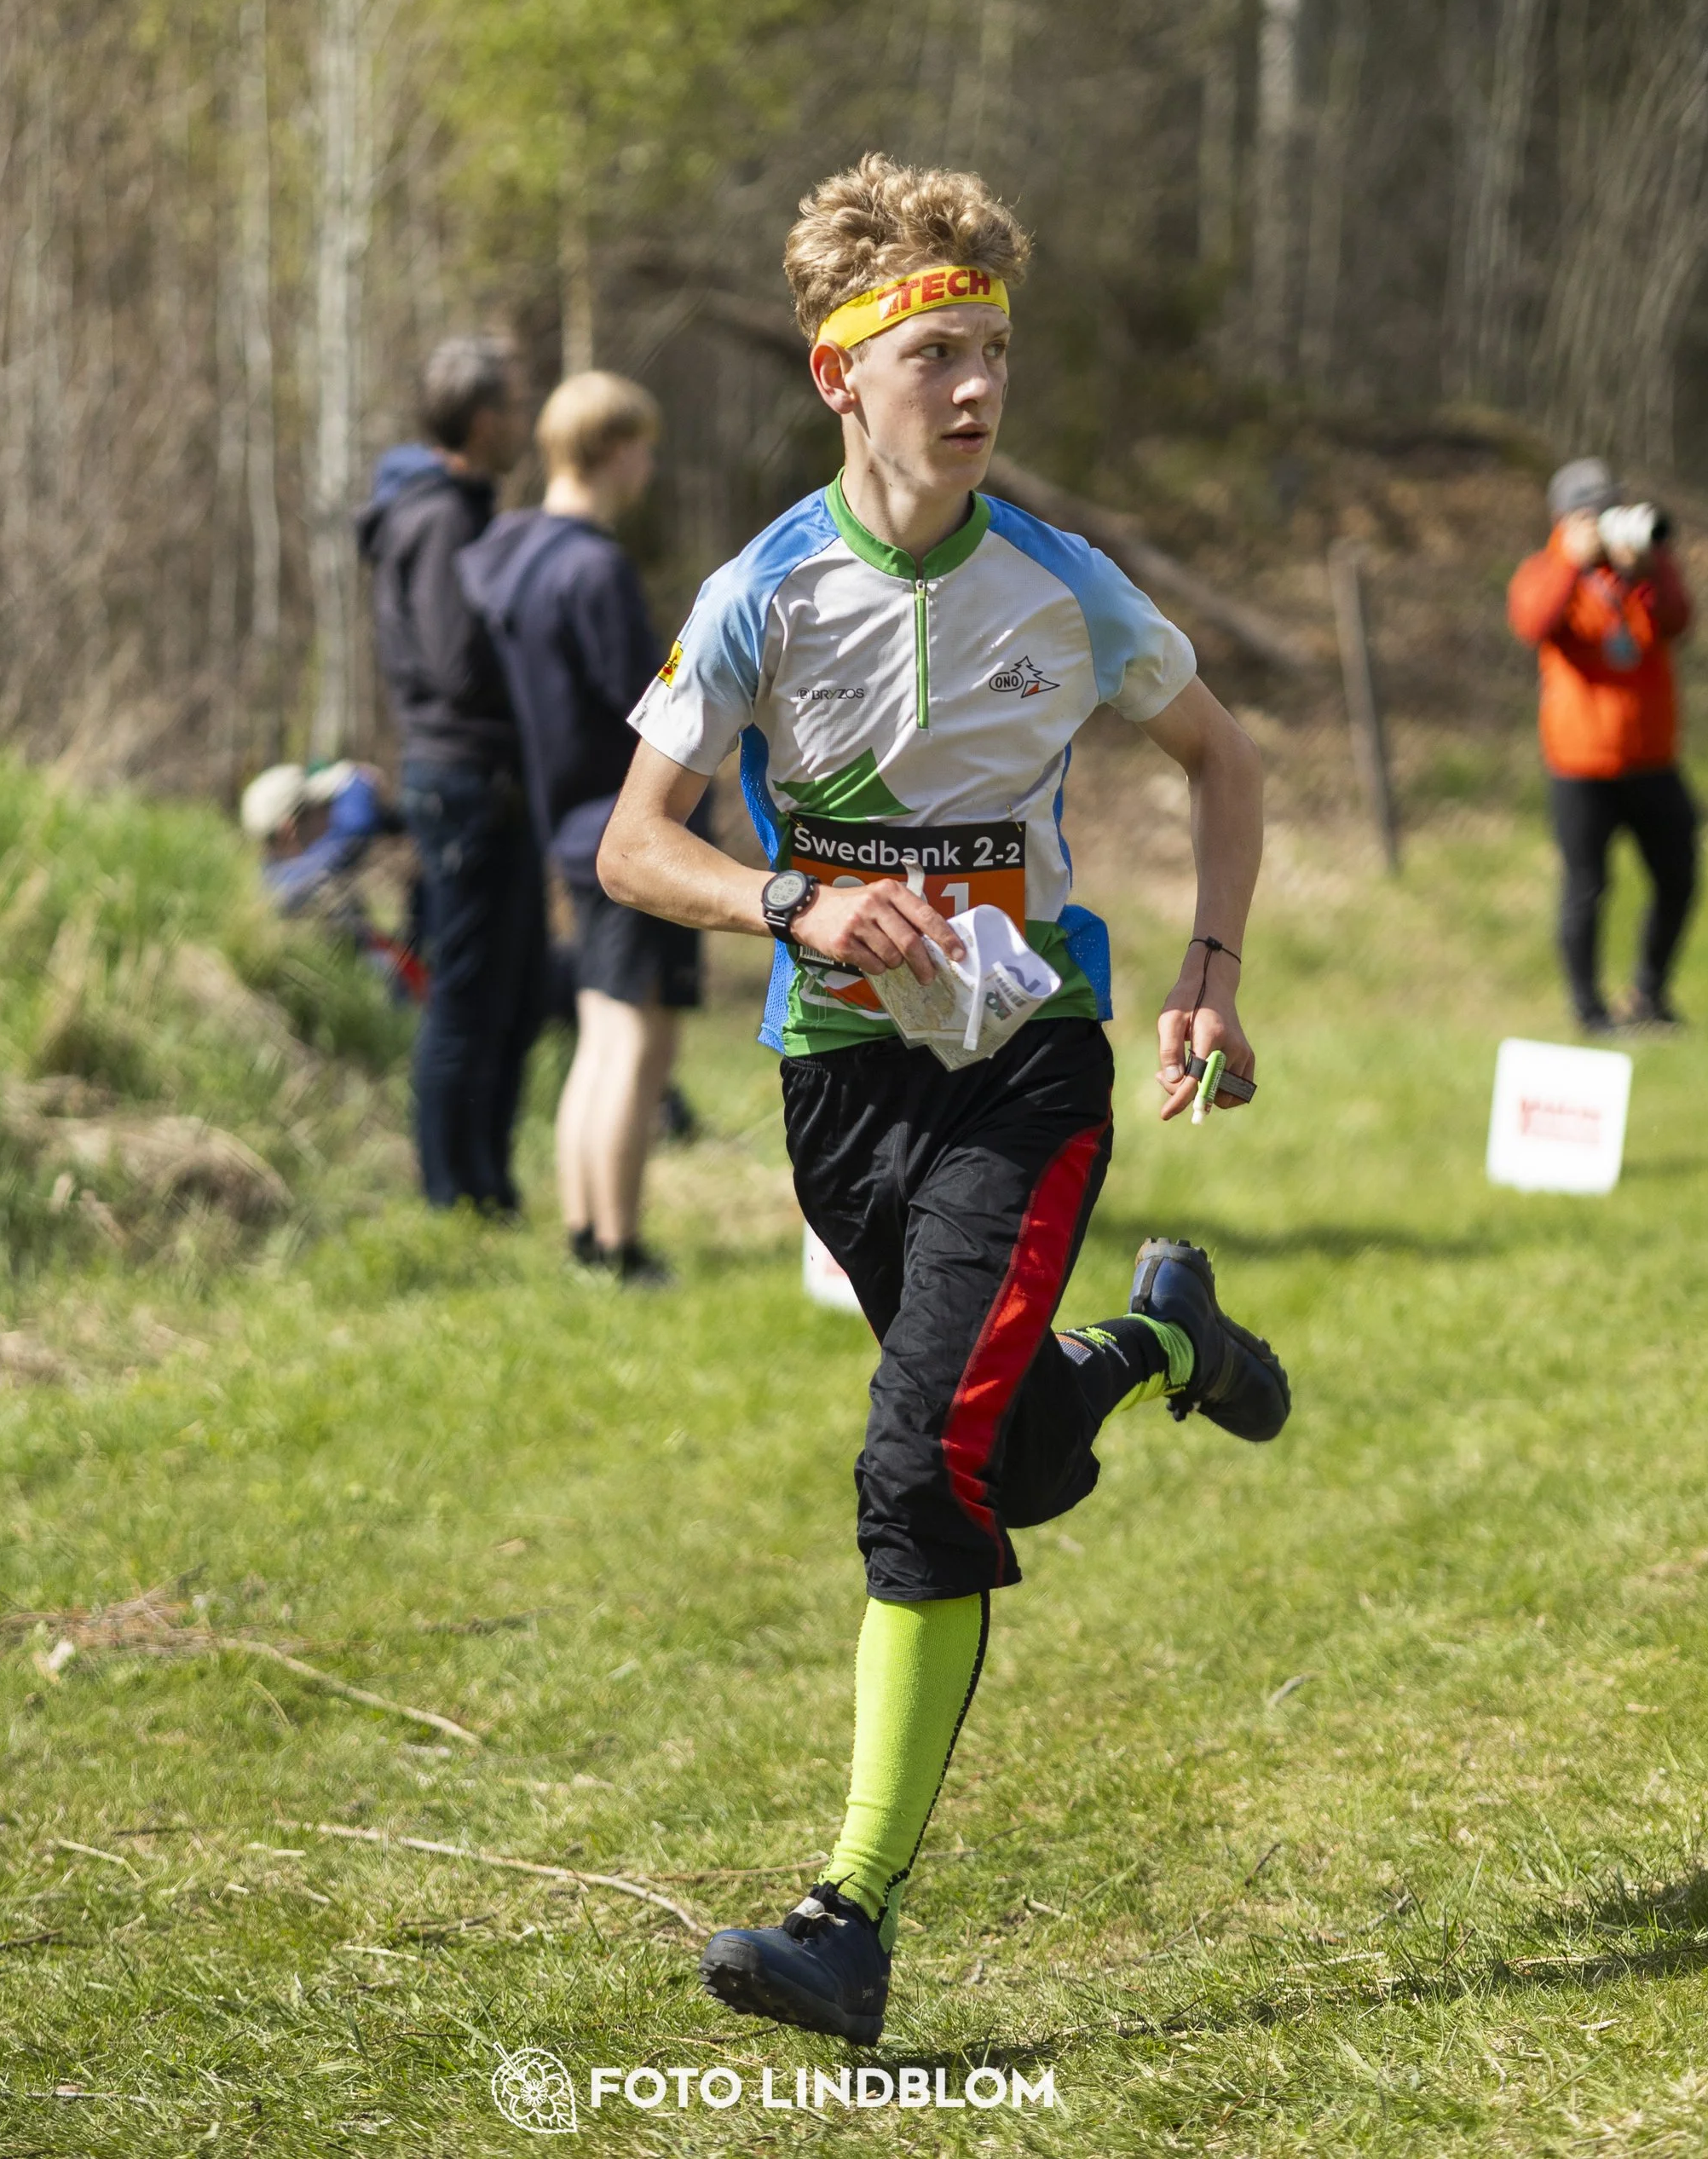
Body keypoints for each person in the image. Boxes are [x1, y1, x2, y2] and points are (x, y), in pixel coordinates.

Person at [597, 153, 1289, 2046]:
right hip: (834, 1087)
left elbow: (1220, 759)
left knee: (916, 1471)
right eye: (936, 357)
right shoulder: (763, 590)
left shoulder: (1060, 587)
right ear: (841, 376)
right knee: (1006, 1456)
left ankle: (849, 1913)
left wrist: (1203, 977)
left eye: (993, 350)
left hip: (1028, 1073)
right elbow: (626, 846)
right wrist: (794, 896)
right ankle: (1159, 1341)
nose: (975, 387)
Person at [459, 371, 701, 1288]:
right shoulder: (593, 567)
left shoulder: (512, 556)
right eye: (640, 443)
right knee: (638, 1039)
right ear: (608, 450)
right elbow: (657, 705)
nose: (649, 462)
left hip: (568, 823)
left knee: (602, 1032)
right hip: (632, 827)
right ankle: (620, 1244)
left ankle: (583, 1235)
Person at [356, 335, 547, 1212]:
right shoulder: (440, 519)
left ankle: (488, 1186)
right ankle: (449, 1193)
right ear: (481, 420)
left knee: (507, 993)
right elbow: (454, 661)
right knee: (466, 996)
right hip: (464, 781)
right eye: (514, 405)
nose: (526, 421)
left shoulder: (458, 509)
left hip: (483, 779)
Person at [1507, 456, 1698, 1033]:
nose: (1609, 521)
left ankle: (1650, 994)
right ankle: (1589, 1011)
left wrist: (1651, 567)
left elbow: (1680, 619)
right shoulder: (1546, 571)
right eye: (1594, 512)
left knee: (1679, 876)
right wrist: (1572, 561)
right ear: (1565, 519)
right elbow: (1532, 622)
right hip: (1581, 765)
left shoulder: (1640, 573)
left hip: (1653, 760)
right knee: (1586, 887)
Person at [239, 760, 424, 1001]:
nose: (330, 812)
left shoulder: (274, 873)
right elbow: (356, 827)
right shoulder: (292, 883)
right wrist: (358, 780)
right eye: (321, 807)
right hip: (367, 999)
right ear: (289, 829)